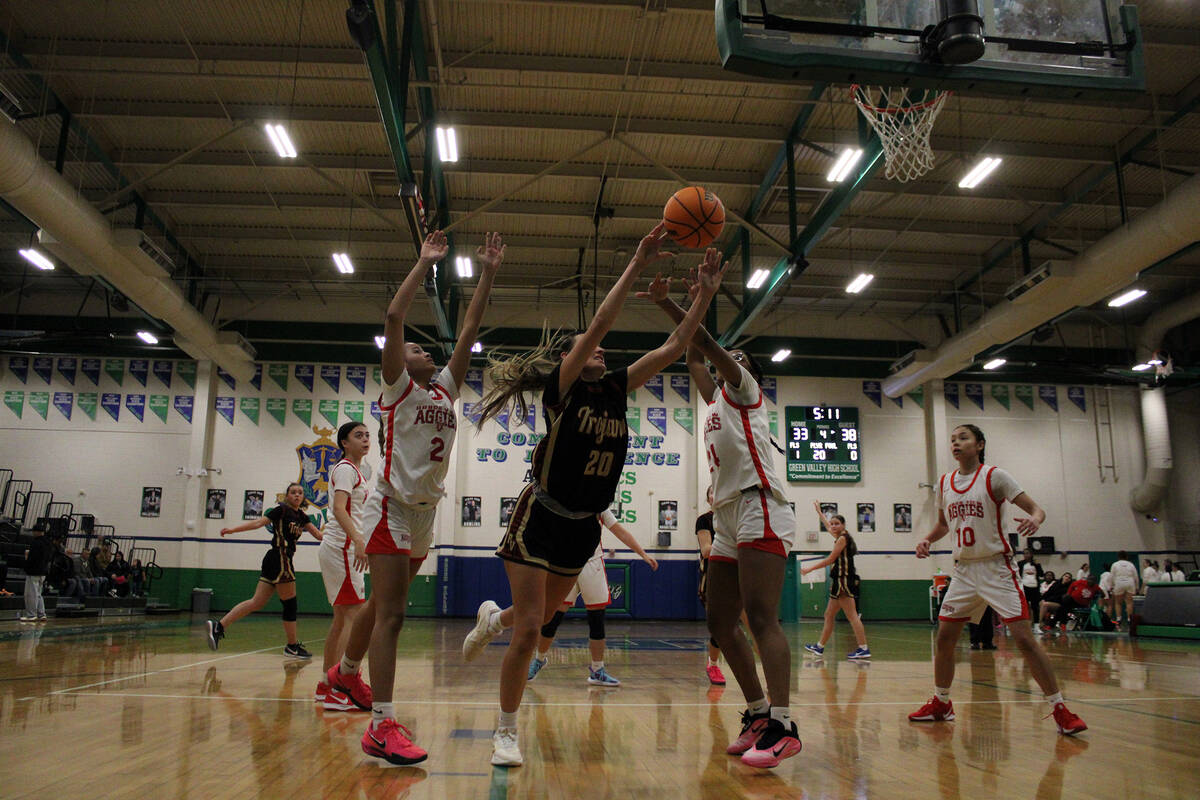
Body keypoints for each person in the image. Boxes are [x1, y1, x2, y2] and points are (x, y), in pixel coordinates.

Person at [461, 230, 722, 768]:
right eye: (588, 347)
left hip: (583, 527)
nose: (599, 348)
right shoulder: (564, 390)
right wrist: (636, 259)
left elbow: (675, 346)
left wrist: (703, 296)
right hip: (541, 517)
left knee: (545, 611)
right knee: (534, 628)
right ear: (571, 360)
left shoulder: (616, 389)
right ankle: (506, 732)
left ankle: (492, 620)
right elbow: (601, 321)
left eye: (602, 349)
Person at [328, 231, 504, 767]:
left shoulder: (445, 389)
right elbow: (391, 319)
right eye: (413, 348)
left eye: (424, 348)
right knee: (395, 615)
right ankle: (381, 725)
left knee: (382, 603)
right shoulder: (398, 388)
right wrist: (424, 262)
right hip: (393, 506)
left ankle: (345, 675)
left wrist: (489, 272)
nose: (421, 348)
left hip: (427, 513)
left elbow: (470, 328)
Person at [641, 265, 801, 768]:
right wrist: (691, 302)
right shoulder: (712, 402)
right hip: (728, 512)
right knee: (719, 619)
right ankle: (756, 712)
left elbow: (706, 345)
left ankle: (784, 724)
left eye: (734, 358)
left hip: (761, 506)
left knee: (760, 616)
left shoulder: (745, 391)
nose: (724, 361)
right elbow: (693, 353)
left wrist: (688, 302)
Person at [909, 423, 1086, 735]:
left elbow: (1036, 509)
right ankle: (942, 702)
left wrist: (1034, 519)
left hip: (997, 568)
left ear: (979, 445)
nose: (956, 443)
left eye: (963, 438)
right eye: (952, 439)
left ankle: (1060, 708)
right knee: (945, 638)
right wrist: (927, 539)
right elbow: (942, 524)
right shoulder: (945, 482)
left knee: (1024, 639)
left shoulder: (995, 477)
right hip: (963, 570)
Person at [526, 509, 659, 685]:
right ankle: (539, 659)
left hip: (592, 563)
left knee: (596, 619)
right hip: (564, 564)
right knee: (552, 618)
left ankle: (597, 670)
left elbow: (619, 531)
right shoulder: (562, 502)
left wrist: (643, 554)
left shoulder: (599, 505)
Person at [205, 482, 323, 658]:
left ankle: (219, 626)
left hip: (278, 560)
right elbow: (258, 523)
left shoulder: (302, 517)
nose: (297, 495)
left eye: (300, 492)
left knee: (256, 602)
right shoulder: (281, 510)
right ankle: (291, 646)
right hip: (279, 557)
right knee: (290, 605)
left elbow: (319, 536)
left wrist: (338, 531)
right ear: (287, 496)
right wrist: (232, 530)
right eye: (293, 492)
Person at [315, 421, 372, 712]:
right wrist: (359, 540)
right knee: (353, 618)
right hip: (343, 549)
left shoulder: (355, 471)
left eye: (367, 435)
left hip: (341, 548)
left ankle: (327, 685)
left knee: (341, 620)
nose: (365, 439)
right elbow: (338, 508)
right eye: (358, 436)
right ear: (344, 443)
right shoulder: (346, 469)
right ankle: (341, 687)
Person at [803, 501, 870, 660]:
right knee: (828, 614)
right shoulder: (840, 536)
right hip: (838, 581)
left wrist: (809, 569)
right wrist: (820, 512)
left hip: (843, 580)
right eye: (832, 523)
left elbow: (830, 559)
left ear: (843, 525)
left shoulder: (842, 539)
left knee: (852, 615)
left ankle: (863, 648)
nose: (832, 526)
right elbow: (827, 526)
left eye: (836, 523)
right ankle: (819, 647)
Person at [695, 486, 727, 686]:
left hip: (738, 575)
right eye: (712, 492)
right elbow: (706, 550)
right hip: (714, 577)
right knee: (720, 627)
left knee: (754, 624)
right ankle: (713, 664)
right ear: (708, 499)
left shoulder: (735, 518)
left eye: (719, 490)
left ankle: (768, 674)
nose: (716, 495)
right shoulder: (704, 520)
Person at [18, 528, 51, 621]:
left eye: (34, 531)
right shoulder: (48, 543)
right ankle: (41, 614)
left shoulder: (36, 542)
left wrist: (26, 564)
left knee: (31, 594)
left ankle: (31, 615)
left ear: (38, 532)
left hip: (34, 571)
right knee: (38, 593)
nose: (33, 533)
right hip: (43, 572)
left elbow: (32, 558)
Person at [1109, 551, 1139, 627]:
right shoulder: (1131, 564)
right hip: (1130, 582)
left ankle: (1119, 619)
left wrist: (1111, 586)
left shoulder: (1115, 564)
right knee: (1129, 602)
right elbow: (1136, 576)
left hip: (1119, 582)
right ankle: (1129, 619)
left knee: (1118, 602)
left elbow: (1112, 576)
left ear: (1118, 557)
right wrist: (1137, 587)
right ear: (1126, 557)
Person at [1016, 547, 1044, 625]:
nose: (1025, 555)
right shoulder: (1020, 564)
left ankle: (1036, 625)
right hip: (1024, 587)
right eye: (1024, 553)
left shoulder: (1036, 564)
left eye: (1027, 553)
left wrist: (1037, 565)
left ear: (1031, 554)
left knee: (1035, 607)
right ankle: (1023, 623)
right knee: (1024, 606)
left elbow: (1041, 574)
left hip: (1034, 587)